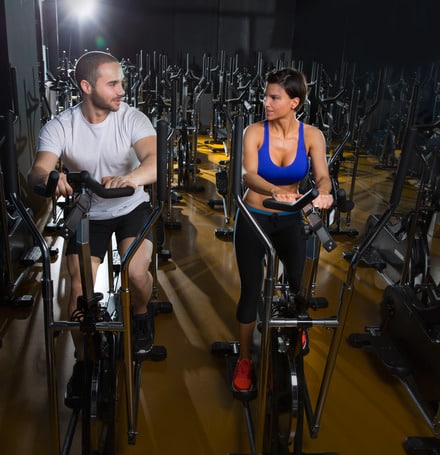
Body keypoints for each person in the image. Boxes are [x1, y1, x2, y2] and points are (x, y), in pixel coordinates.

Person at [28, 50, 164, 406]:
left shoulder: (132, 118)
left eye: (122, 82)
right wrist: (52, 176)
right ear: (87, 87)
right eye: (113, 83)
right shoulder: (61, 125)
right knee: (78, 289)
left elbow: (154, 161)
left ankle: (140, 315)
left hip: (131, 207)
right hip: (89, 212)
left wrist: (131, 178)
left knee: (136, 273)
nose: (122, 90)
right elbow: (38, 171)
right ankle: (84, 360)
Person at [232, 68, 334, 392]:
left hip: (291, 218)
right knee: (251, 291)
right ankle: (245, 359)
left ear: (294, 102)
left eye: (274, 97)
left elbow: (323, 177)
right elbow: (248, 175)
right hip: (254, 216)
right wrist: (275, 191)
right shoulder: (254, 132)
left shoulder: (313, 135)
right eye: (266, 95)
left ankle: (293, 328)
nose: (266, 102)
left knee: (297, 287)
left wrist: (325, 192)